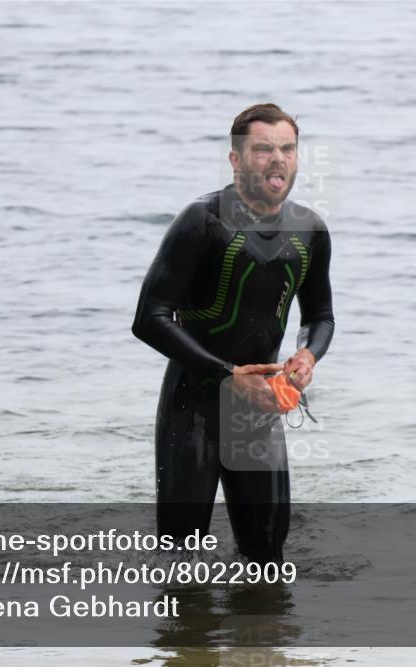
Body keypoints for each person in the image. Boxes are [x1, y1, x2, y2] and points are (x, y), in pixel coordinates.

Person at [131, 103, 334, 563]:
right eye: (262, 149)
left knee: (267, 561)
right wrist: (226, 373)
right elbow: (149, 317)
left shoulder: (310, 231)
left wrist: (308, 357)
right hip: (193, 406)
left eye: (287, 149)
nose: (277, 159)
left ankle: (262, 634)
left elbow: (320, 315)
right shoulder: (202, 222)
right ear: (236, 159)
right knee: (181, 561)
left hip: (258, 412)